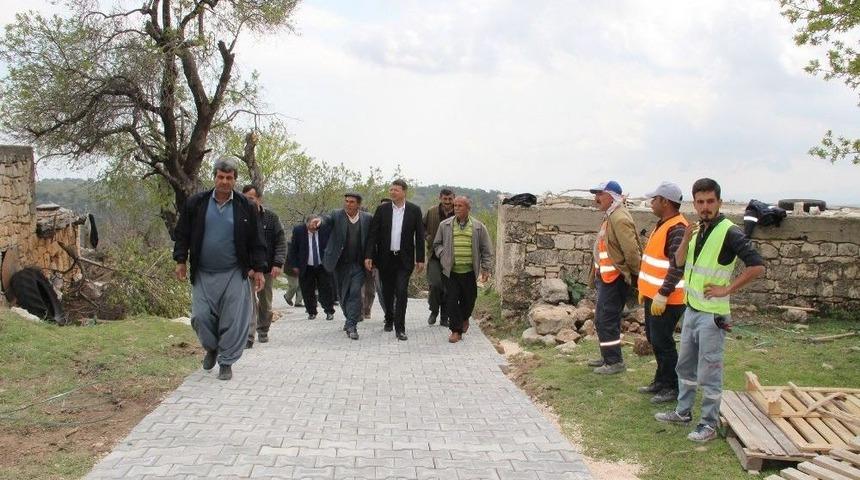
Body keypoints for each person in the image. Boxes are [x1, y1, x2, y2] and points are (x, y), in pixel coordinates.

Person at [655, 178, 765, 443]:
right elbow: (679, 262)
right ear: (694, 203)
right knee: (685, 366)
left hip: (713, 316)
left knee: (709, 373)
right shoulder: (697, 230)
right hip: (692, 309)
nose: (705, 207)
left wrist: (727, 289)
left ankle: (708, 424)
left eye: (710, 202)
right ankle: (683, 412)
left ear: (719, 202)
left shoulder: (730, 231)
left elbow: (757, 266)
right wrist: (686, 239)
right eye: (700, 202)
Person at [173, 157, 266, 381]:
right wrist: (180, 260)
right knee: (200, 317)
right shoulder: (197, 203)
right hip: (204, 272)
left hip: (234, 272)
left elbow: (257, 240)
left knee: (233, 319)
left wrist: (259, 269)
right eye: (220, 177)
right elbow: (182, 234)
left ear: (234, 180)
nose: (224, 181)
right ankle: (211, 348)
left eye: (229, 178)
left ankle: (226, 361)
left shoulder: (246, 207)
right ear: (214, 177)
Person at [637, 182, 688, 403]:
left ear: (665, 202)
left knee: (663, 341)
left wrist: (663, 294)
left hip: (668, 298)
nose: (651, 203)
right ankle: (660, 380)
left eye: (654, 199)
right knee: (654, 338)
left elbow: (678, 266)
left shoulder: (677, 228)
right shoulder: (663, 224)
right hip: (654, 296)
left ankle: (672, 386)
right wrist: (645, 290)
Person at [587, 180, 642, 375]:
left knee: (607, 319)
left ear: (612, 196)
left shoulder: (619, 218)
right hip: (606, 279)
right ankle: (607, 356)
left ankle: (614, 361)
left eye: (600, 194)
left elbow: (631, 252)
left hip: (615, 279)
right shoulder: (611, 216)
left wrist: (637, 277)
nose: (596, 198)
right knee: (602, 318)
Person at [365, 180, 425, 341]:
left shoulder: (414, 210)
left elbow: (419, 235)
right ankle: (389, 318)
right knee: (388, 292)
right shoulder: (382, 209)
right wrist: (369, 256)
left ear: (404, 192)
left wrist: (420, 258)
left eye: (396, 190)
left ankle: (400, 328)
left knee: (401, 291)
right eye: (391, 189)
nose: (392, 192)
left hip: (404, 259)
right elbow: (373, 234)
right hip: (385, 258)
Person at [433, 196, 493, 343]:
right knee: (451, 300)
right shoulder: (445, 225)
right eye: (455, 206)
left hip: (469, 271)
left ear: (468, 208)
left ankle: (465, 318)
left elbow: (486, 249)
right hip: (450, 271)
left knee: (469, 300)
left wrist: (486, 268)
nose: (457, 208)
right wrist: (443, 254)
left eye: (460, 206)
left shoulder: (478, 227)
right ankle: (456, 330)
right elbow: (437, 244)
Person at [313, 193, 373, 340]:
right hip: (339, 263)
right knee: (343, 295)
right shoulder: (336, 214)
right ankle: (349, 318)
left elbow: (372, 239)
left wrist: (370, 257)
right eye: (346, 201)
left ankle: (352, 325)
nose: (348, 204)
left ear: (358, 204)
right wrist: (318, 222)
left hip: (358, 264)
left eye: (352, 202)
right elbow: (326, 219)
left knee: (355, 293)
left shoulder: (367, 218)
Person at [241, 185, 286, 348]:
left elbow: (281, 242)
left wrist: (278, 263)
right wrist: (247, 267)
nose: (248, 201)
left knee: (265, 302)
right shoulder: (240, 218)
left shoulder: (271, 218)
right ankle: (249, 335)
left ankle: (263, 329)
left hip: (267, 269)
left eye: (251, 198)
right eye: (245, 198)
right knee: (249, 302)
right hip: (247, 269)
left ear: (259, 199)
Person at [289, 215, 335, 320]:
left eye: (316, 223)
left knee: (326, 288)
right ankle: (311, 311)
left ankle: (329, 311)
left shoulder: (324, 229)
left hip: (322, 264)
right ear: (307, 223)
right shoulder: (299, 230)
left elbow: (333, 224)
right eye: (312, 224)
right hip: (306, 265)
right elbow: (293, 249)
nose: (314, 227)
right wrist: (295, 265)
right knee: (307, 289)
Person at [423, 188, 456, 326]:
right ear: (440, 198)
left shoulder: (458, 212)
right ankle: (434, 310)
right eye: (445, 199)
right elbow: (421, 227)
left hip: (452, 257)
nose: (447, 202)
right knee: (435, 285)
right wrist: (427, 237)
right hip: (434, 256)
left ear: (454, 198)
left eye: (450, 199)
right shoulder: (431, 212)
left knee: (448, 288)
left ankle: (444, 316)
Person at [283, 236, 304, 308]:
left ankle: (298, 302)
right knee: (294, 286)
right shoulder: (290, 247)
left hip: (301, 269)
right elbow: (291, 258)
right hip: (291, 270)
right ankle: (287, 296)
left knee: (301, 285)